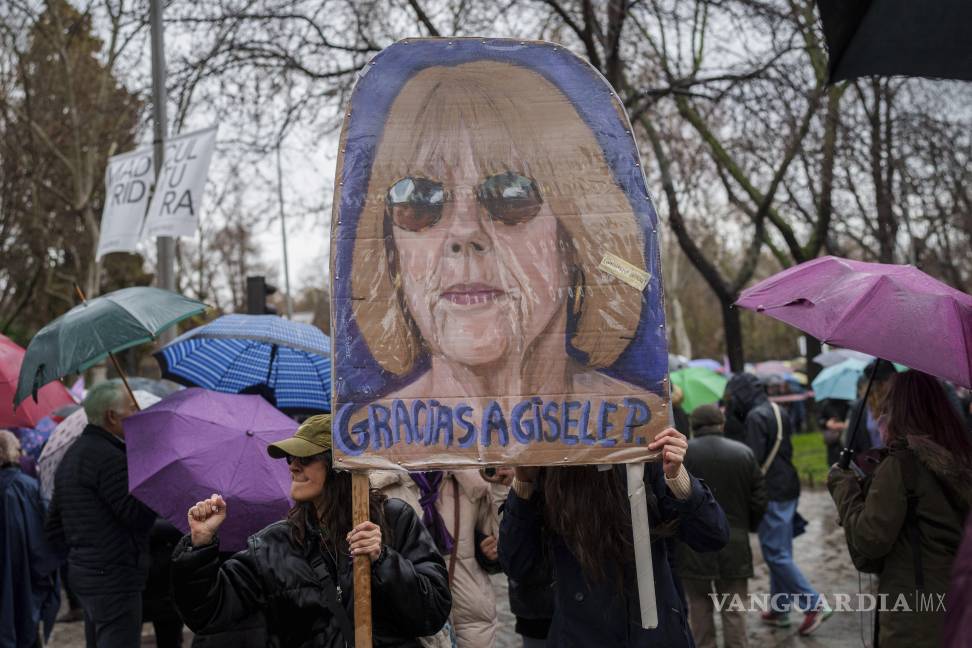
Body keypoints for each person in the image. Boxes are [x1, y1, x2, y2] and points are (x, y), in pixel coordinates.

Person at [341, 58, 667, 461]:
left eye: (509, 194)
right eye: (419, 199)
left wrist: (677, 479)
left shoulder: (642, 435)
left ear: (576, 234)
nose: (463, 232)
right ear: (392, 251)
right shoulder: (365, 448)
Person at [170, 414, 452, 647]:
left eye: (305, 458)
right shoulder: (273, 544)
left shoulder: (394, 520)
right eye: (289, 458)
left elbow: (433, 612)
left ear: (338, 465)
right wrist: (200, 545)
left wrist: (384, 561)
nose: (293, 466)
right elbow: (207, 613)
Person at [498, 427, 729, 646]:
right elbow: (519, 566)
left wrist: (678, 477)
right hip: (579, 634)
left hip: (653, 632)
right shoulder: (548, 463)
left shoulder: (644, 452)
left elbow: (712, 535)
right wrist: (523, 484)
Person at [829, 370, 972, 648]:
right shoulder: (960, 458)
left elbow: (870, 540)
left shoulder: (902, 464)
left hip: (916, 611)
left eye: (888, 406)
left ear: (899, 410)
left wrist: (844, 488)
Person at [45, 379, 156, 648]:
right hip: (115, 576)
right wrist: (150, 475)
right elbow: (138, 517)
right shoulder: (110, 459)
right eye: (132, 407)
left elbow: (53, 527)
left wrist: (84, 552)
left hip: (86, 572)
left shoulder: (72, 456)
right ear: (112, 416)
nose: (137, 412)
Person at [723, 373, 830, 635]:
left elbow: (753, 460)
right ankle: (780, 608)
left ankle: (813, 604)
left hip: (771, 490)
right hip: (788, 485)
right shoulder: (777, 409)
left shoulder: (754, 417)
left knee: (775, 553)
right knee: (780, 550)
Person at [370, 468, 502, 647]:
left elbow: (505, 547)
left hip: (471, 619)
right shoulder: (383, 488)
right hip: (418, 624)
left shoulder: (469, 481)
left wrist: (503, 486)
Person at [677, 405, 767, 648]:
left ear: (692, 427)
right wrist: (747, 526)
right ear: (722, 424)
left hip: (692, 547)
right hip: (735, 543)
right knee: (734, 612)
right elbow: (759, 500)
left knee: (699, 611)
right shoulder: (744, 453)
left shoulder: (681, 457)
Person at [0, 429, 60, 648]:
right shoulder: (28, 486)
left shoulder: (25, 486)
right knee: (27, 628)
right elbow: (46, 534)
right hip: (26, 574)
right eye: (17, 447)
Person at [844, 359, 897, 456]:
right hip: (869, 465)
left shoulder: (899, 404)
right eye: (887, 380)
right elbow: (851, 443)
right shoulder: (860, 407)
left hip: (895, 464)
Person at [816, 398, 849, 467]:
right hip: (833, 439)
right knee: (833, 462)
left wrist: (845, 424)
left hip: (846, 436)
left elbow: (852, 416)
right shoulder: (825, 404)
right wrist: (826, 423)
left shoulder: (848, 403)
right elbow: (820, 419)